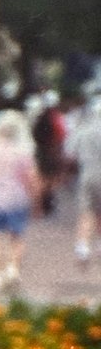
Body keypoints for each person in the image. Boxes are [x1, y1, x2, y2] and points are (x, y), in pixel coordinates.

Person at [0, 110, 41, 293]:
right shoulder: (22, 152)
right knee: (17, 237)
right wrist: (36, 198)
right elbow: (31, 177)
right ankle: (13, 270)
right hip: (17, 198)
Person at [67, 96, 101, 267]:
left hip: (87, 173)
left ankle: (83, 248)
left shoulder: (84, 129)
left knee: (86, 211)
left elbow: (70, 152)